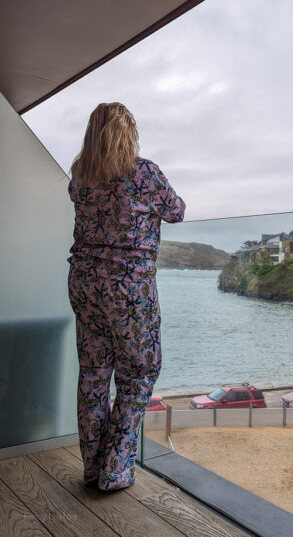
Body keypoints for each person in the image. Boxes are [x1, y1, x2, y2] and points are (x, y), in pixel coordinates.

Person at [67, 102, 185, 491]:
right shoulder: (145, 173)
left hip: (84, 282)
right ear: (127, 134)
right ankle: (116, 469)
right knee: (139, 373)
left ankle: (92, 466)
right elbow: (177, 211)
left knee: (94, 375)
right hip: (128, 290)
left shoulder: (79, 176)